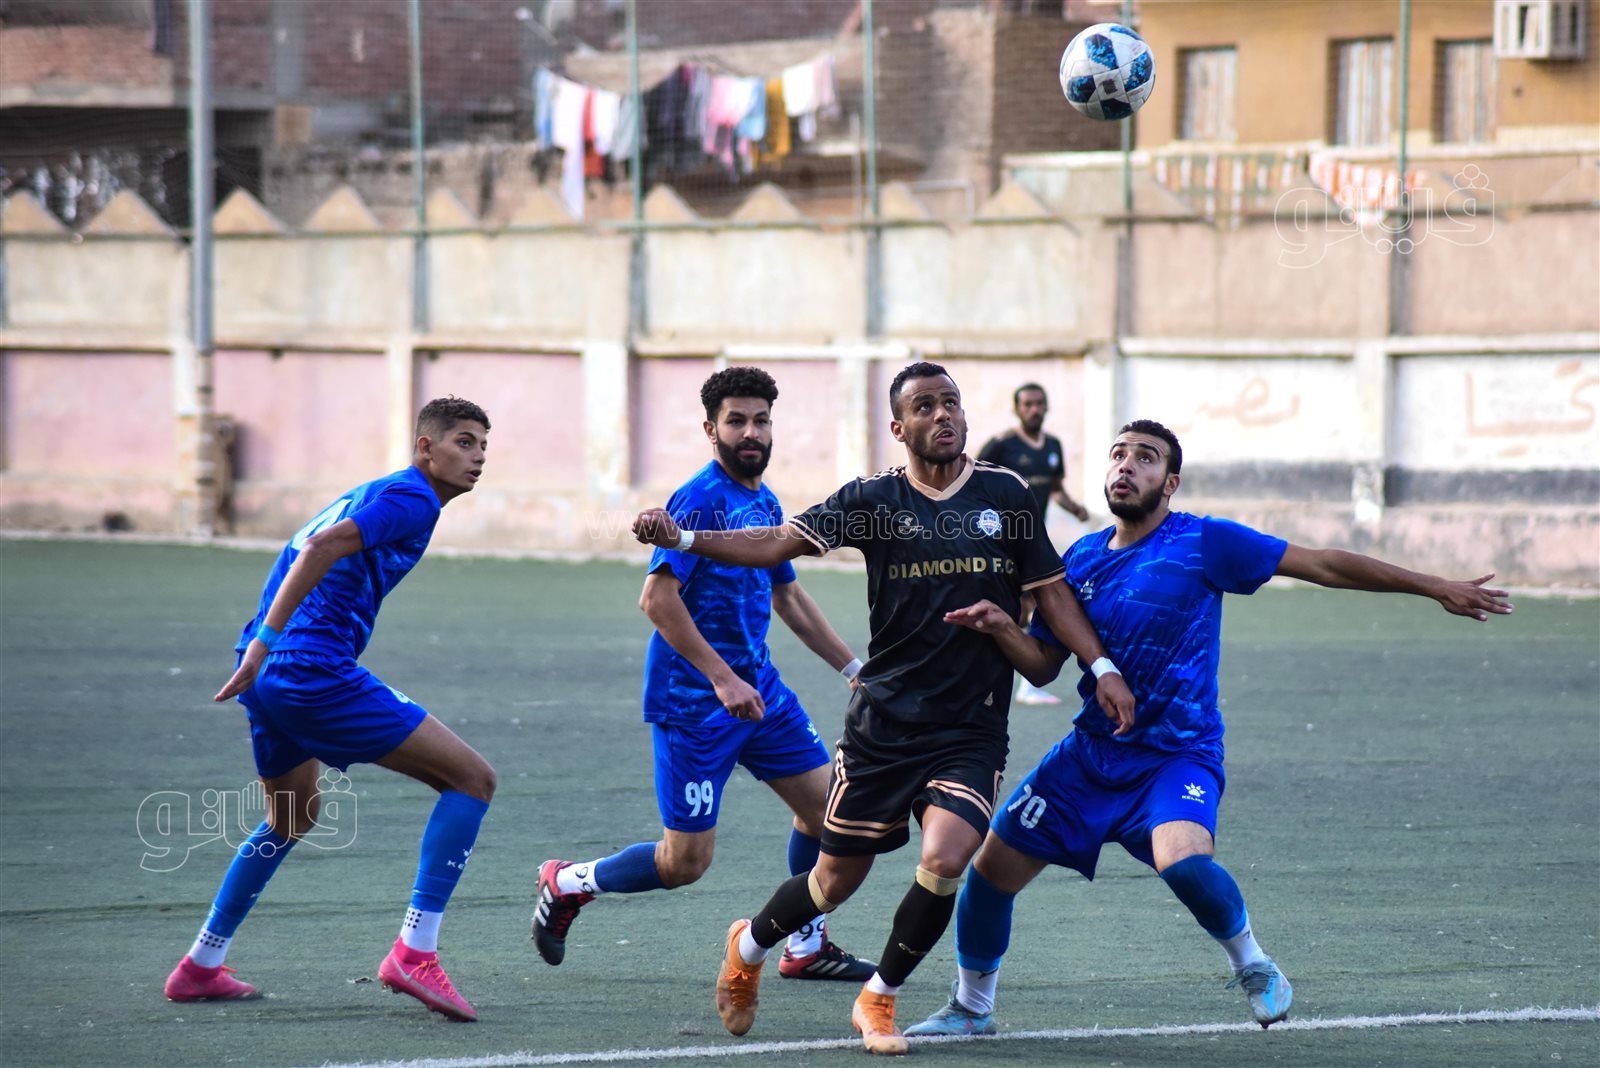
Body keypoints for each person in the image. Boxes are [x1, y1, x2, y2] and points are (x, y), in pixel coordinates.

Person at [904, 418, 1514, 1039]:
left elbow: (1323, 565)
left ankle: (1253, 963)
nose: (1126, 465)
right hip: (1089, 755)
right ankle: (972, 1007)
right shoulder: (1080, 560)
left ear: (1170, 483)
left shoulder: (1206, 541)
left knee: (1184, 862)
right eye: (1118, 454)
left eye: (1146, 458)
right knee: (988, 875)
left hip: (1177, 753)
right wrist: (1002, 628)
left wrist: (1432, 585)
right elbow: (1041, 665)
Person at [632, 362, 1135, 1055]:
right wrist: (685, 539)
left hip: (970, 727)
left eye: (951, 402)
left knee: (948, 856)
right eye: (925, 406)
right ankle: (747, 946)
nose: (943, 414)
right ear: (899, 428)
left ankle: (880, 998)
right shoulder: (872, 499)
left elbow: (1052, 593)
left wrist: (1101, 666)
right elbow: (777, 542)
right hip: (885, 725)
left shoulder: (1007, 494)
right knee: (833, 881)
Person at [533, 367, 874, 983]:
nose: (751, 432)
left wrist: (852, 668)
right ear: (711, 429)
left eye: (761, 420)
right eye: (736, 421)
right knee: (684, 863)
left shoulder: (765, 501)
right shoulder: (700, 498)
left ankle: (805, 944)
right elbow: (657, 600)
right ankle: (569, 882)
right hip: (695, 703)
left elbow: (788, 597)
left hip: (760, 691)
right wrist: (722, 679)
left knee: (828, 814)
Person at [162, 397, 498, 1023]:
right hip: (307, 669)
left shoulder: (377, 491)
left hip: (272, 673)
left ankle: (201, 964)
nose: (477, 456)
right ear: (425, 447)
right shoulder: (414, 498)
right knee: (472, 780)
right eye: (463, 442)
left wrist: (261, 646)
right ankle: (415, 953)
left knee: (291, 816)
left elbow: (306, 552)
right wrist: (268, 642)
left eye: (483, 445)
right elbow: (319, 547)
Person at [976, 383, 1090, 708]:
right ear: (1016, 409)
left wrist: (1075, 508)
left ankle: (1025, 684)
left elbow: (1055, 489)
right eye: (1027, 404)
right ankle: (993, 680)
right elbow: (973, 486)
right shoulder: (1001, 446)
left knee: (1034, 605)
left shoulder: (1052, 445)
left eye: (1039, 403)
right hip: (1001, 542)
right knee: (1016, 606)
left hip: (1035, 541)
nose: (1034, 409)